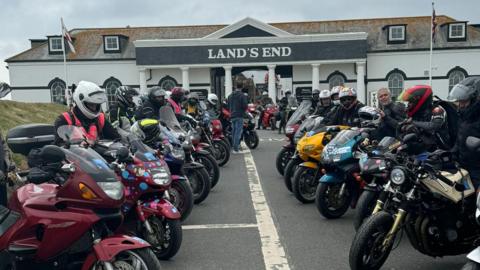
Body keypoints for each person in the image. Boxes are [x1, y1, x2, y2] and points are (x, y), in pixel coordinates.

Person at [54, 81, 120, 145]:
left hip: (98, 155)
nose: (94, 108)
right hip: (75, 155)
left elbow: (117, 138)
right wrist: (77, 143)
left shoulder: (100, 118)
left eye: (96, 104)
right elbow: (59, 145)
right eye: (91, 104)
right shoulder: (65, 119)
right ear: (80, 101)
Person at [448, 77, 480, 184]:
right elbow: (460, 139)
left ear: (475, 99)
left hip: (477, 169)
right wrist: (450, 154)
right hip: (463, 166)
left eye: (464, 102)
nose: (460, 105)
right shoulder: (464, 117)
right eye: (459, 102)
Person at [398, 85, 449, 151]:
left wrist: (413, 122)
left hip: (439, 148)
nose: (408, 105)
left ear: (419, 99)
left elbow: (434, 126)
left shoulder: (437, 109)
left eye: (410, 102)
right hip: (421, 146)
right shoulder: (417, 112)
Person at [228, 80, 248, 153]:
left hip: (232, 115)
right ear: (242, 87)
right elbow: (245, 105)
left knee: (233, 132)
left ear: (236, 86)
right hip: (239, 115)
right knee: (238, 132)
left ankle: (233, 146)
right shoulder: (242, 95)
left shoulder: (230, 95)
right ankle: (236, 149)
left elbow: (228, 104)